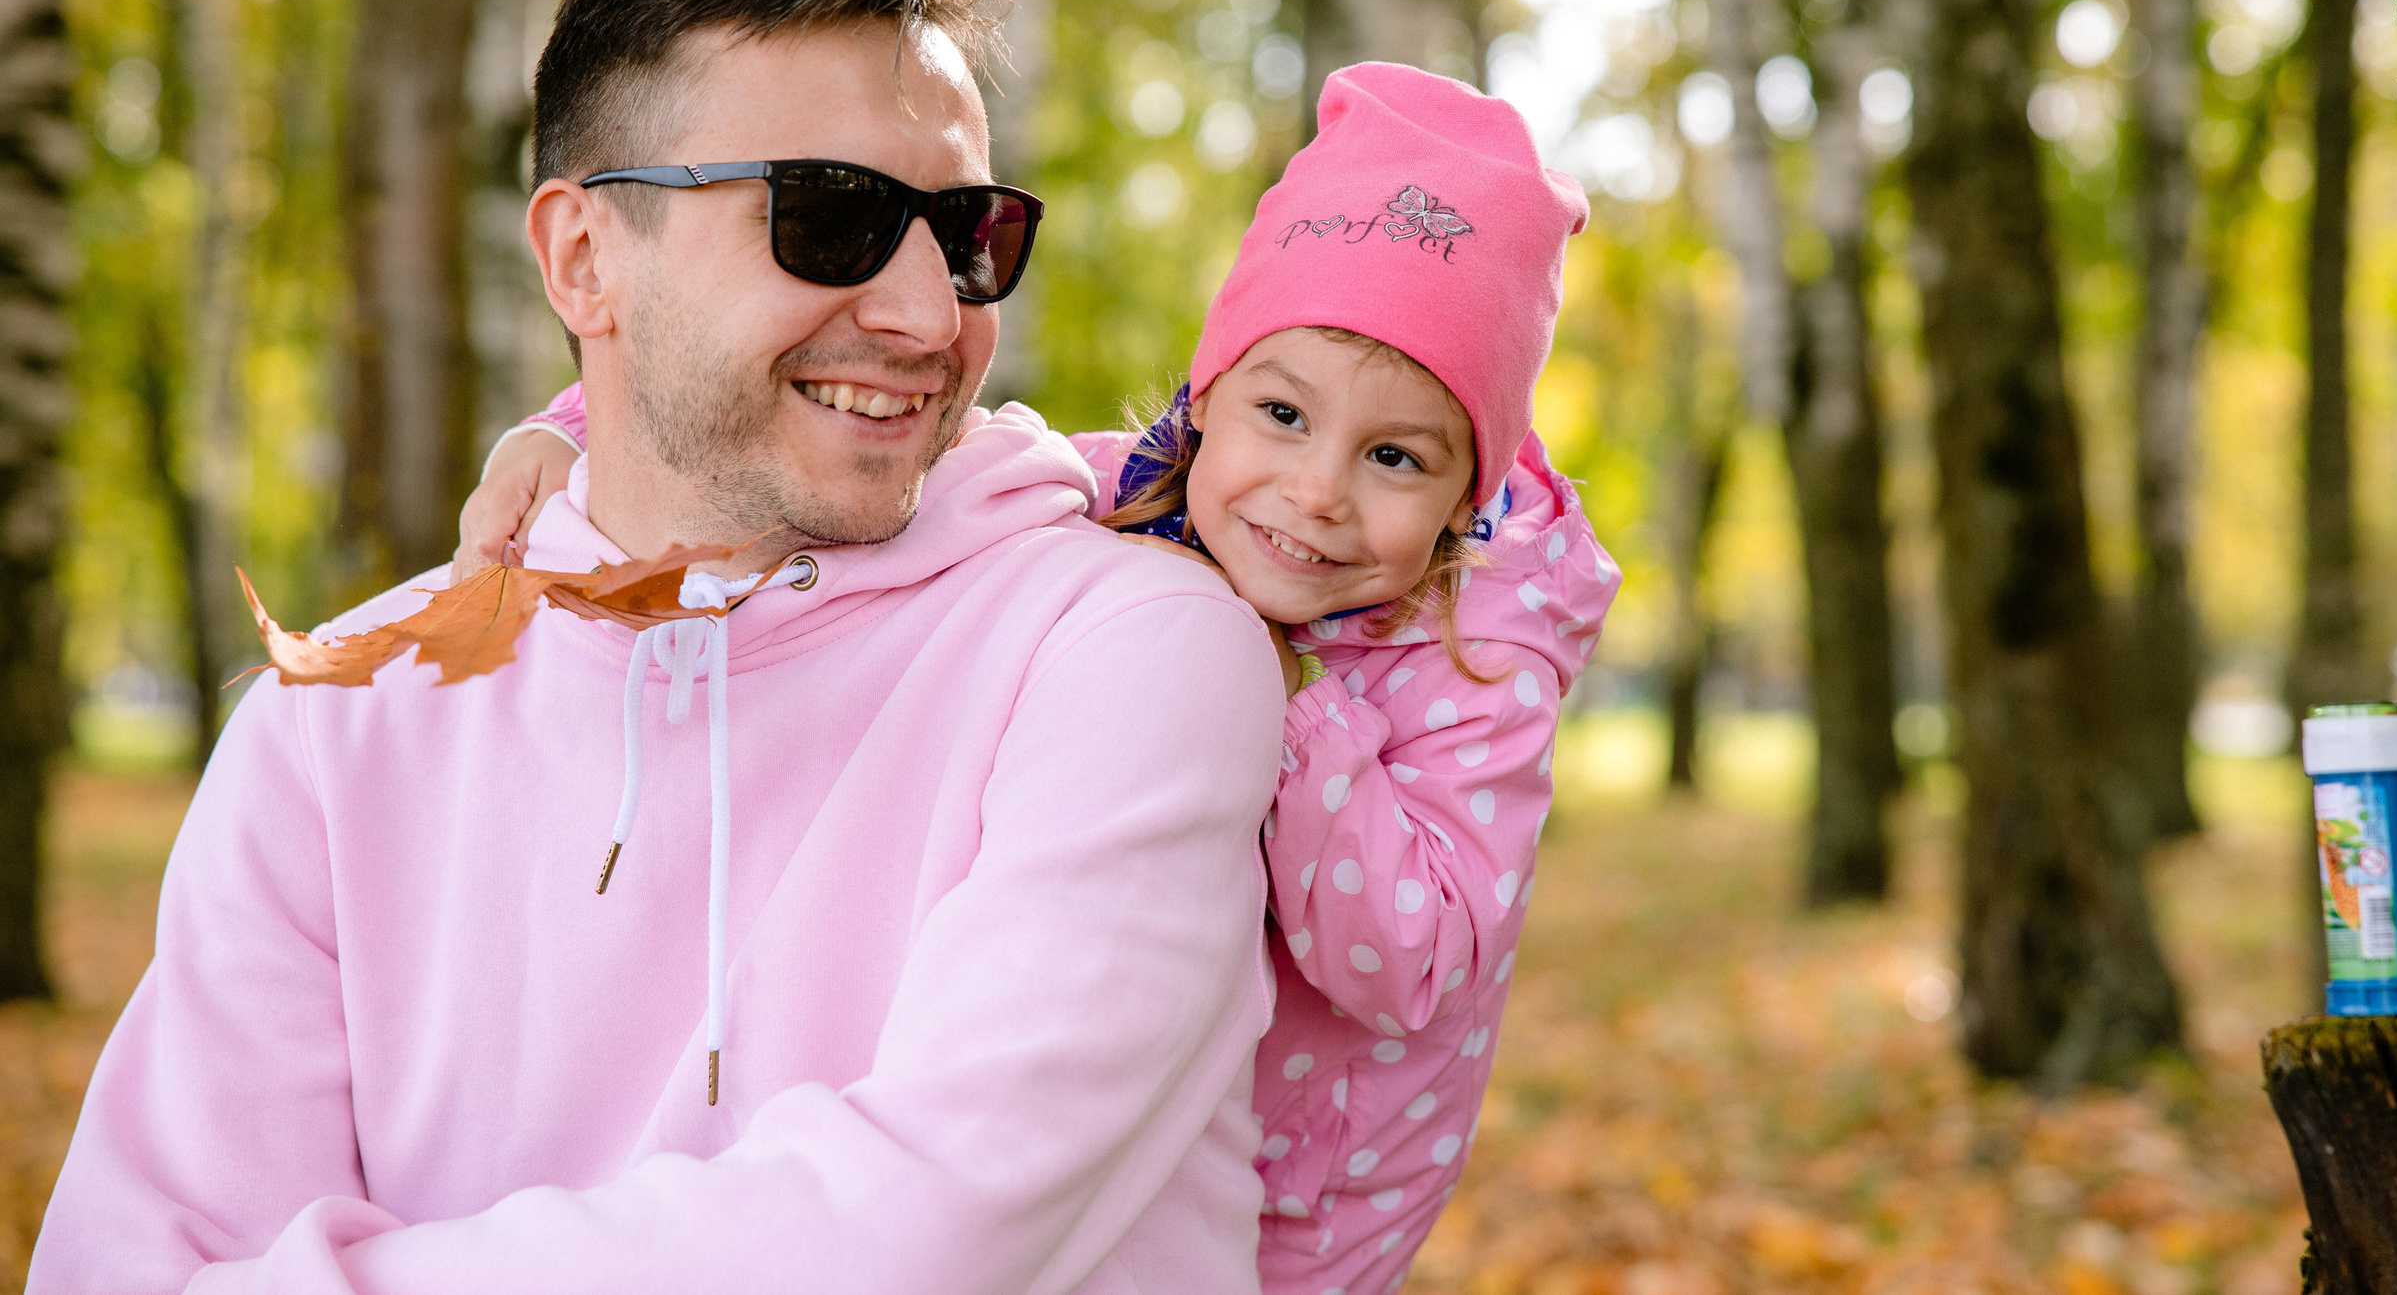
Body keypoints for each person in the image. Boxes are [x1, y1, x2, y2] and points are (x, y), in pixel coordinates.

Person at [30, 0, 1289, 1295]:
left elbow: (926, 1234)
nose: (934, 317)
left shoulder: (1126, 654)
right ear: (583, 258)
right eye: (831, 216)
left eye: (969, 230)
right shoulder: (331, 723)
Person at [470, 62, 1621, 1295]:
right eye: (1281, 415)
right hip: (1139, 1157)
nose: (1318, 491)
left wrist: (1278, 689)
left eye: (1394, 456)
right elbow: (879, 439)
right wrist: (573, 429)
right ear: (1205, 400)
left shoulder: (1476, 661)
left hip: (1318, 1207)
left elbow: (1411, 961)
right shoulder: (1128, 494)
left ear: (1465, 498)